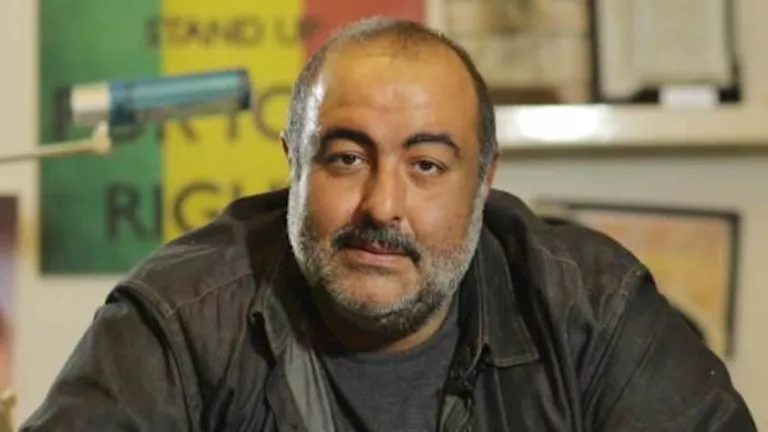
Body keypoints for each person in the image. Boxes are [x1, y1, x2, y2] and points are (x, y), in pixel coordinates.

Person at [22, 17, 755, 432]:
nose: (382, 205)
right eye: (346, 159)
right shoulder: (181, 318)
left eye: (427, 165)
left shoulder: (589, 310)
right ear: (294, 165)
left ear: (484, 182)